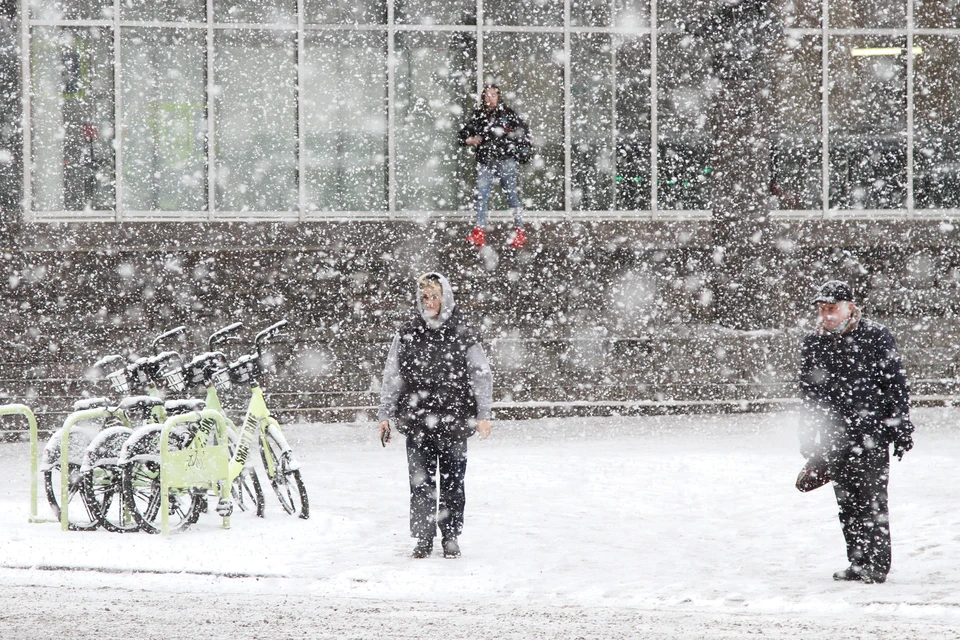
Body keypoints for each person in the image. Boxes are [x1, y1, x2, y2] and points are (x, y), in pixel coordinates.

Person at [798, 280, 914, 584]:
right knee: (847, 504)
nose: (827, 315)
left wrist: (901, 426)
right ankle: (858, 562)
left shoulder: (876, 336)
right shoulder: (814, 342)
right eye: (822, 310)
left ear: (850, 307)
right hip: (834, 437)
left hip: (871, 434)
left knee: (873, 502)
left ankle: (877, 566)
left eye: (832, 308)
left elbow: (896, 384)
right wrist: (808, 439)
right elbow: (808, 394)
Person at [378, 272, 493, 559]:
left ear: (446, 299)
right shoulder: (407, 332)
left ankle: (451, 536)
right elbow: (392, 374)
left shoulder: (463, 332)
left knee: (454, 482)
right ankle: (424, 537)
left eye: (434, 297)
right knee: (420, 483)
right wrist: (385, 413)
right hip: (417, 420)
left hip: (455, 419)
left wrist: (483, 414)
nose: (429, 302)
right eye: (424, 297)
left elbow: (481, 373)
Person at [458, 85, 530, 250]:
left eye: (493, 95)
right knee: (481, 197)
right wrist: (469, 140)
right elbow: (464, 134)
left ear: (499, 97)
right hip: (486, 161)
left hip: (506, 161)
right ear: (483, 98)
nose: (490, 98)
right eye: (487, 96)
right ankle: (479, 233)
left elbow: (523, 132)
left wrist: (517, 150)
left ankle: (520, 232)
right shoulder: (479, 115)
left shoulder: (508, 114)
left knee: (511, 196)